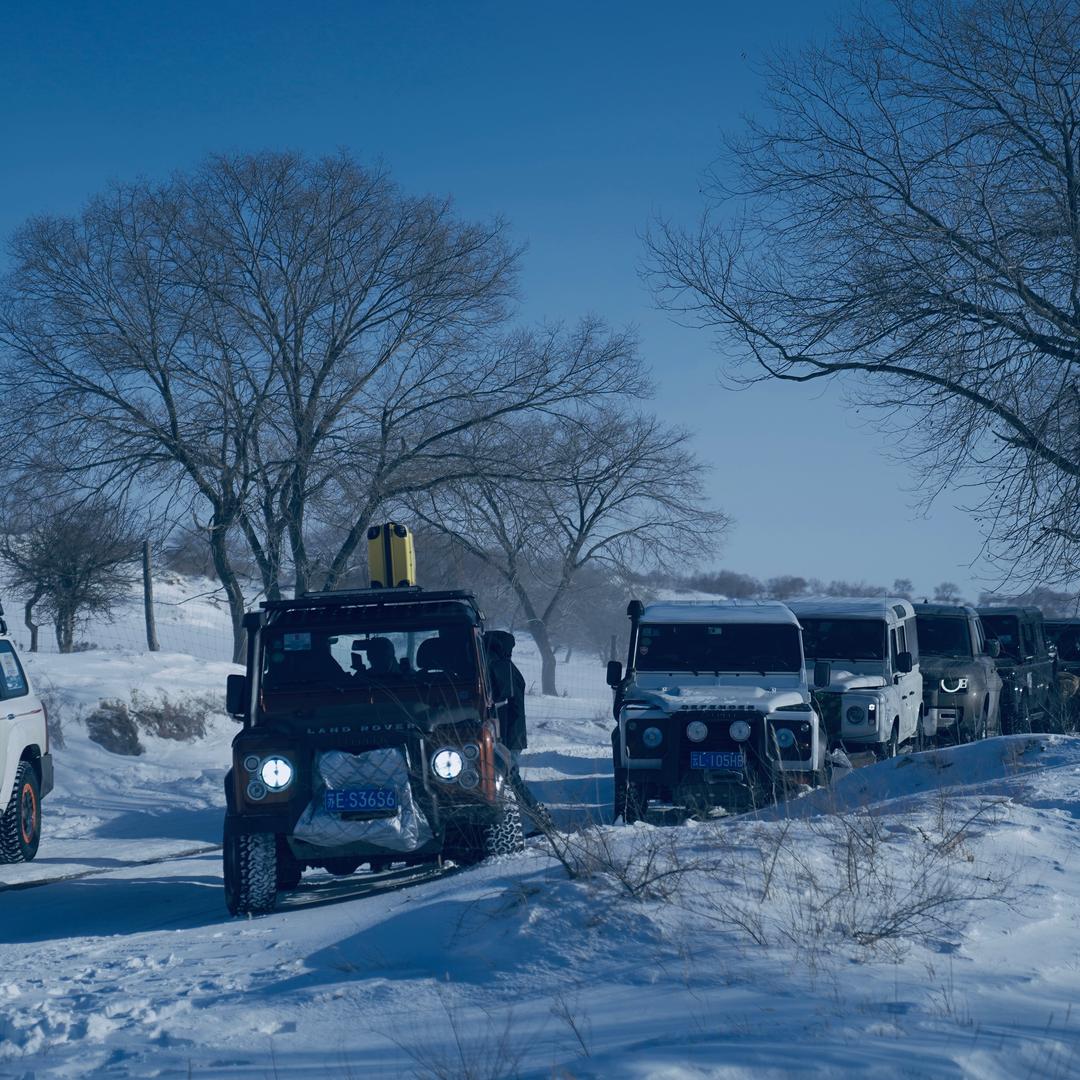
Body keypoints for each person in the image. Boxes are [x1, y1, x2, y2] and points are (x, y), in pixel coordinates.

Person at [483, 630, 550, 830]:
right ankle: (541, 819)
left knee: (511, 779)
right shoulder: (506, 667)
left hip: (506, 736)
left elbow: (499, 704)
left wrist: (501, 738)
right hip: (512, 734)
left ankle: (541, 820)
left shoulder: (500, 668)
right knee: (512, 780)